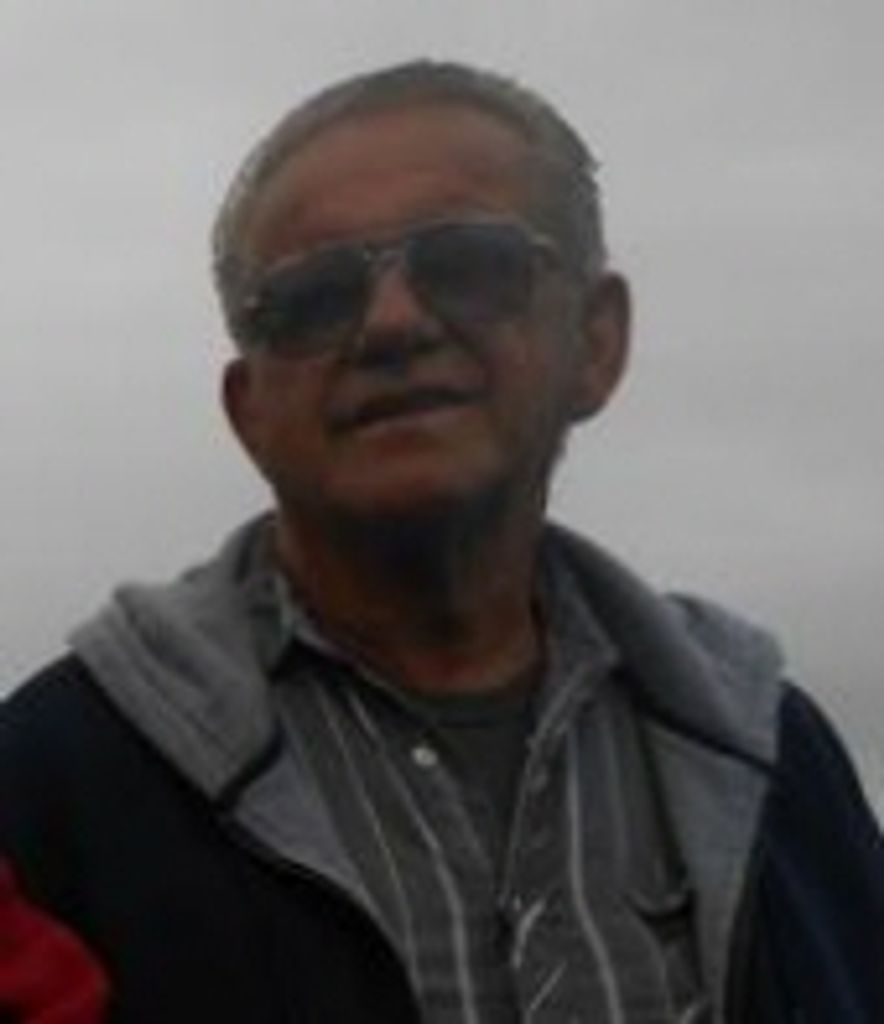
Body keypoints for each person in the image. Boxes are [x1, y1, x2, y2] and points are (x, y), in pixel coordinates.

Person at [1, 60, 882, 1024]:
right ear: (248, 412)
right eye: (313, 298)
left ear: (596, 341)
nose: (392, 323)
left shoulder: (776, 763)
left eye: (469, 266)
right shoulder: (49, 785)